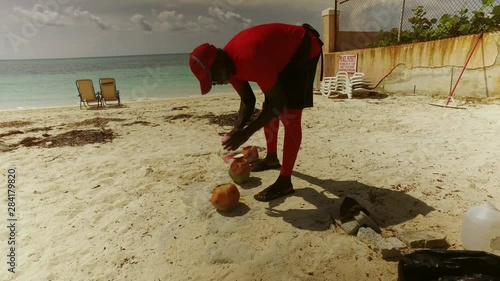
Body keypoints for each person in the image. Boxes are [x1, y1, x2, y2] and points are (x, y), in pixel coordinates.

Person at [189, 22, 323, 202]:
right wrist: (236, 130)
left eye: (212, 78)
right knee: (269, 103)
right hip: (279, 57)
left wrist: (246, 133)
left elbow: (278, 102)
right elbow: (248, 101)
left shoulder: (249, 57)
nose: (215, 83)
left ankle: (285, 181)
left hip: (303, 48)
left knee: (289, 114)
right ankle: (272, 158)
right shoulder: (231, 70)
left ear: (219, 62)